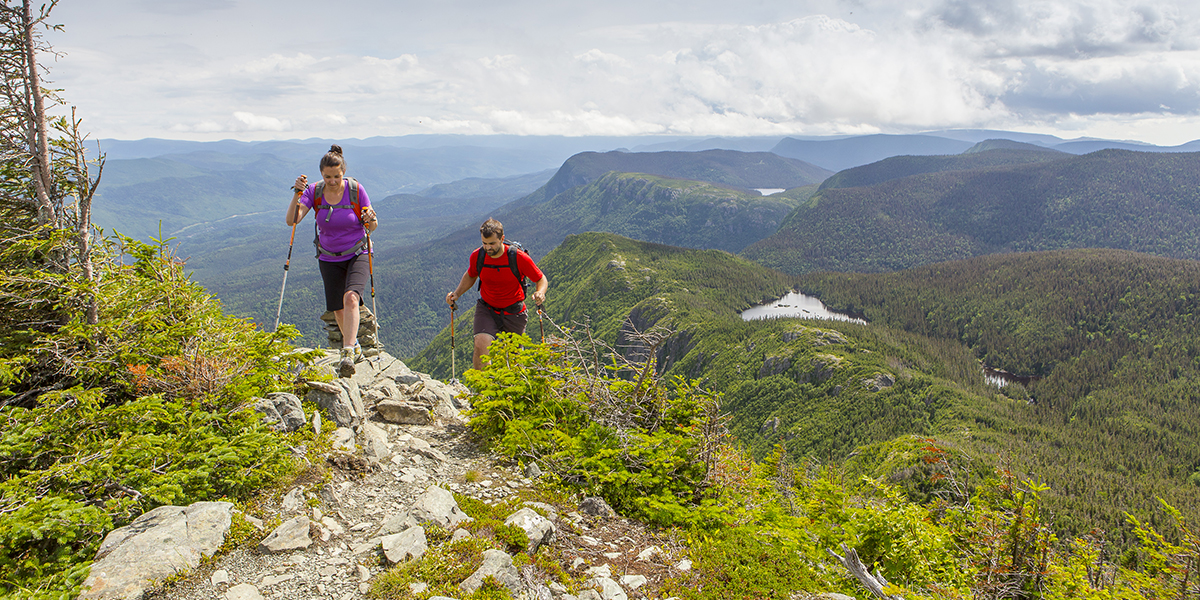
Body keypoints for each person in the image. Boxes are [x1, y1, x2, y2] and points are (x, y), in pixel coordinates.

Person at [285, 144, 378, 377]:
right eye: (328, 177)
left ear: (343, 172)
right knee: (337, 307)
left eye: (337, 176)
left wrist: (371, 219)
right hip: (328, 256)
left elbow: (372, 226)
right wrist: (297, 194)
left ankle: (347, 352)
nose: (333, 181)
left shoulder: (356, 190)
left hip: (358, 252)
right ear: (321, 174)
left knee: (350, 298)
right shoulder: (314, 192)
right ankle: (354, 345)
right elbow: (292, 220)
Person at [445, 218, 548, 370]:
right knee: (481, 344)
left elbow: (540, 278)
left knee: (514, 357)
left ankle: (512, 390)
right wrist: (457, 294)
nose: (488, 248)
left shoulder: (518, 257)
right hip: (487, 308)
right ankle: (482, 389)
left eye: (492, 243)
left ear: (502, 239)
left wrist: (540, 292)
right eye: (484, 243)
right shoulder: (478, 256)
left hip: (514, 311)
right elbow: (471, 275)